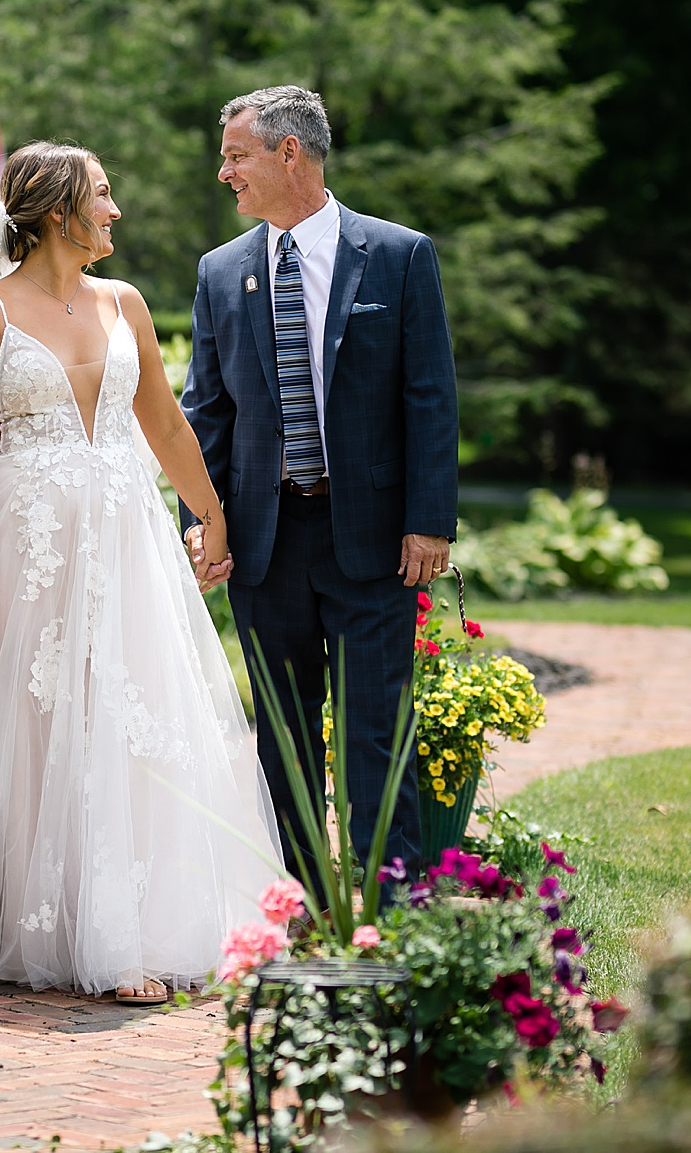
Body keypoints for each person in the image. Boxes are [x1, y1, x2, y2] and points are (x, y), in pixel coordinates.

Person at [0, 141, 280, 1003]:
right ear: (56, 211)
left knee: (132, 713)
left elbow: (164, 422)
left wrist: (211, 510)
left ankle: (135, 922)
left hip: (128, 535)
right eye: (103, 195)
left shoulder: (123, 301)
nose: (115, 211)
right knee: (43, 724)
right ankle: (58, 922)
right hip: (32, 541)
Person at [181, 86, 459, 881]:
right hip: (267, 545)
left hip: (371, 536)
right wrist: (200, 521)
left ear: (288, 151)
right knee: (283, 733)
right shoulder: (221, 271)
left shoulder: (400, 255)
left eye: (237, 155)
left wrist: (429, 519)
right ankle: (297, 899)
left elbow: (430, 395)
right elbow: (207, 410)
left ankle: (390, 902)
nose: (225, 172)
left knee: (376, 728)